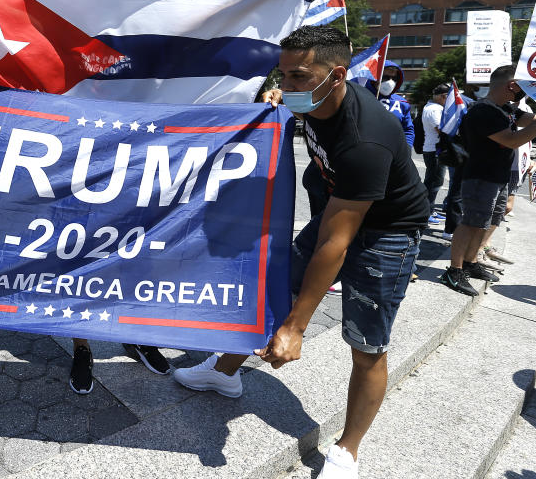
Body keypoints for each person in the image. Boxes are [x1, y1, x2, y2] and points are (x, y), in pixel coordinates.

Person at [174, 26, 429, 479]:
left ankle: (348, 450)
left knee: (367, 344)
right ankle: (225, 371)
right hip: (335, 211)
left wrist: (296, 327)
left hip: (387, 233)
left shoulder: (364, 138)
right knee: (271, 292)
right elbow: (328, 225)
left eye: (298, 77)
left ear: (336, 76)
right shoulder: (308, 99)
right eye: (283, 75)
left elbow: (337, 242)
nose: (288, 85)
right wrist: (279, 96)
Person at [441, 65, 536, 296]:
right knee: (472, 222)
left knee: (489, 220)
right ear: (512, 85)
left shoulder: (504, 108)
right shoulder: (483, 111)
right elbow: (512, 140)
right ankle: (454, 271)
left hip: (498, 176)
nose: (527, 90)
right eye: (525, 85)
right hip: (480, 177)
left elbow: (535, 120)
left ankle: (470, 262)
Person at [421, 84, 450, 222]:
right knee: (433, 182)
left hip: (432, 149)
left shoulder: (431, 107)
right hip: (435, 150)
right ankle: (426, 213)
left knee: (433, 181)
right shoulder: (435, 109)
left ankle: (429, 210)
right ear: (441, 96)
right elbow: (442, 130)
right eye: (447, 97)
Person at [371, 61, 415, 147]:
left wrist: (406, 149)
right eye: (385, 77)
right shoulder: (360, 95)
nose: (390, 82)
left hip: (392, 153)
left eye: (394, 79)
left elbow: (408, 130)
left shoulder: (402, 103)